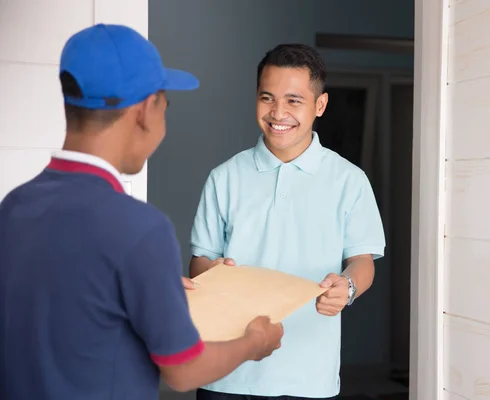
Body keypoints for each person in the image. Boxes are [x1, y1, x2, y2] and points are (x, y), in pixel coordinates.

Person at [0, 24, 283, 400]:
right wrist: (254, 342)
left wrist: (151, 289)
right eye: (166, 104)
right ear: (146, 111)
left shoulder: (15, 206)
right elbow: (184, 371)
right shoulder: (140, 229)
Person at [189, 44, 386, 399]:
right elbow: (199, 261)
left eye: (294, 100)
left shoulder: (349, 180)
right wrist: (214, 273)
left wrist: (348, 287)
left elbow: (362, 261)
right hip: (224, 373)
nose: (278, 112)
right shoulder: (224, 177)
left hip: (309, 378)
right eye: (267, 98)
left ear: (320, 105)